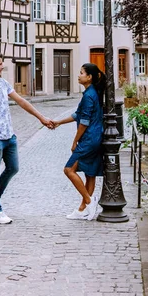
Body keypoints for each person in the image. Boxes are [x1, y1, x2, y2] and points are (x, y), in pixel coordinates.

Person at [0, 52, 54, 225]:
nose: (2, 67)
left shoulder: (2, 83)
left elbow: (22, 102)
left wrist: (42, 118)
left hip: (10, 136)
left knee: (13, 168)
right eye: (0, 64)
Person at [51, 63, 105, 221]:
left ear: (89, 77)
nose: (78, 75)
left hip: (89, 138)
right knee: (90, 174)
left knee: (69, 169)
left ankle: (89, 201)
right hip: (96, 137)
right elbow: (78, 115)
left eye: (81, 73)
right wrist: (59, 122)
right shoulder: (91, 92)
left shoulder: (89, 95)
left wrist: (75, 141)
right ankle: (83, 210)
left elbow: (84, 122)